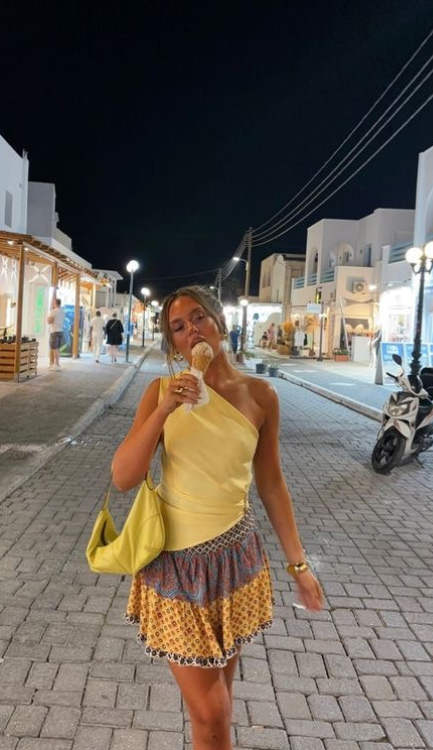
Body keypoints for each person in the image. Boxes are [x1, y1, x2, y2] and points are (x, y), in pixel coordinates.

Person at [111, 285, 323, 750]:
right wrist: (165, 408)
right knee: (213, 712)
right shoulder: (159, 392)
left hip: (235, 564)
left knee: (220, 701)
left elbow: (271, 483)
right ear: (174, 345)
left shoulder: (260, 394)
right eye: (178, 327)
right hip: (177, 567)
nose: (192, 330)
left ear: (220, 322)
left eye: (198, 317)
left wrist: (299, 565)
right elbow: (123, 476)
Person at [47, 298, 65, 371]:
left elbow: (49, 321)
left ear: (55, 303)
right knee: (57, 348)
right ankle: (56, 364)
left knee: (54, 349)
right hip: (60, 331)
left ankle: (57, 364)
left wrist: (48, 316)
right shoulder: (62, 311)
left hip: (54, 332)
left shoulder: (54, 311)